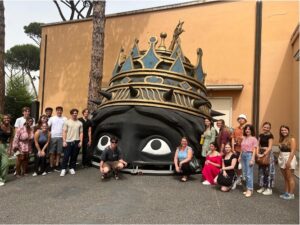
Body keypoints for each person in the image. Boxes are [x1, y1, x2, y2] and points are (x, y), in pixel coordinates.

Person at [60, 109, 83, 176]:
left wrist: (81, 141)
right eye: (73, 113)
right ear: (71, 114)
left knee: (74, 156)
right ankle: (63, 169)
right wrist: (64, 141)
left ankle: (71, 168)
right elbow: (64, 132)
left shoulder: (80, 123)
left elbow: (81, 133)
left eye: (76, 113)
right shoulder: (67, 122)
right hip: (68, 141)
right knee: (66, 156)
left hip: (76, 141)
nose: (75, 114)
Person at [278, 125, 297, 200]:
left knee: (290, 177)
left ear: (288, 130)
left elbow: (293, 151)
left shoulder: (292, 139)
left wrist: (289, 161)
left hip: (289, 158)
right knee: (285, 177)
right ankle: (286, 192)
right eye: (282, 130)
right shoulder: (282, 139)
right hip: (282, 158)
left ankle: (291, 194)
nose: (283, 131)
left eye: (285, 130)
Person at [238, 124, 258, 197]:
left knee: (249, 174)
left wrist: (252, 159)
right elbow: (242, 148)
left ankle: (250, 189)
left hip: (249, 155)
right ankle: (248, 188)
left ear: (251, 130)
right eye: (246, 129)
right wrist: (240, 156)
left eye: (249, 129)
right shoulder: (244, 138)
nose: (247, 130)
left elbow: (254, 149)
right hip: (243, 155)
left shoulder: (254, 138)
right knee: (244, 173)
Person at [256, 122, 275, 195]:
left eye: (268, 127)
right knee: (261, 170)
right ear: (262, 127)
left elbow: (270, 147)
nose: (266, 128)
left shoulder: (270, 136)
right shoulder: (260, 135)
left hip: (268, 154)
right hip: (260, 152)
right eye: (265, 127)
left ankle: (269, 188)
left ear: (270, 128)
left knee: (269, 171)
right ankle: (263, 186)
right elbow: (257, 145)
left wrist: (263, 154)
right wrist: (258, 153)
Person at [48, 106, 67, 172]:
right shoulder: (52, 118)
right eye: (58, 110)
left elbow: (66, 128)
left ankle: (57, 165)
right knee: (52, 152)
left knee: (59, 153)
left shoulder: (65, 119)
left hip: (61, 137)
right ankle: (51, 165)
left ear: (62, 111)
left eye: (60, 110)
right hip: (53, 137)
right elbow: (47, 126)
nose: (59, 111)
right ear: (56, 111)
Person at [231, 114, 247, 189]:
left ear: (245, 120)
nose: (240, 120)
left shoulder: (247, 128)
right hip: (237, 149)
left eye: (242, 119)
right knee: (237, 165)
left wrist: (242, 138)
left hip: (245, 150)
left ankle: (244, 180)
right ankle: (239, 178)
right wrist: (233, 148)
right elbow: (232, 138)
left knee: (244, 165)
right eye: (239, 119)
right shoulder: (236, 129)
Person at [0, 115, 14, 186]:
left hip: (5, 146)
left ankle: (2, 179)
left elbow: (11, 139)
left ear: (10, 119)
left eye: (8, 118)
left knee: (5, 163)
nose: (6, 119)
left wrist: (10, 149)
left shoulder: (11, 128)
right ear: (2, 119)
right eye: (5, 118)